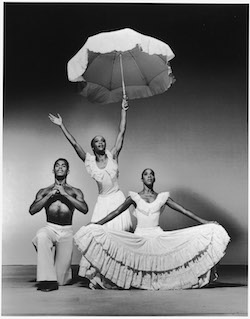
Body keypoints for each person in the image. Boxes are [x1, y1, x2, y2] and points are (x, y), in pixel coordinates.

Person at [74, 168, 230, 290]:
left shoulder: (163, 197)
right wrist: (96, 224)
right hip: (139, 237)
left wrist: (205, 222)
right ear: (142, 179)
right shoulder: (133, 197)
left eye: (151, 174)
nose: (149, 176)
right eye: (146, 174)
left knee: (168, 258)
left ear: (154, 178)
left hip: (157, 235)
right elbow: (116, 212)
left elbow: (184, 211)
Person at [48, 98, 132, 231]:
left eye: (103, 141)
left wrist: (123, 110)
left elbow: (122, 132)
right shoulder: (90, 162)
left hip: (118, 198)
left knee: (122, 232)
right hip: (103, 202)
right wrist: (61, 125)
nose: (101, 143)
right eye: (97, 141)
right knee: (99, 234)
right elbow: (75, 144)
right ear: (93, 147)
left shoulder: (113, 155)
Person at [29, 158, 88, 292]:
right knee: (42, 236)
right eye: (57, 165)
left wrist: (65, 194)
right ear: (53, 170)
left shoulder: (75, 191)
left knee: (62, 281)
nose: (60, 168)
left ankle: (54, 276)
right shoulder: (44, 191)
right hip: (50, 228)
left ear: (68, 171)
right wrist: (49, 195)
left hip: (66, 231)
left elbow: (84, 209)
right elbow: (32, 210)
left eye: (63, 166)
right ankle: (47, 280)